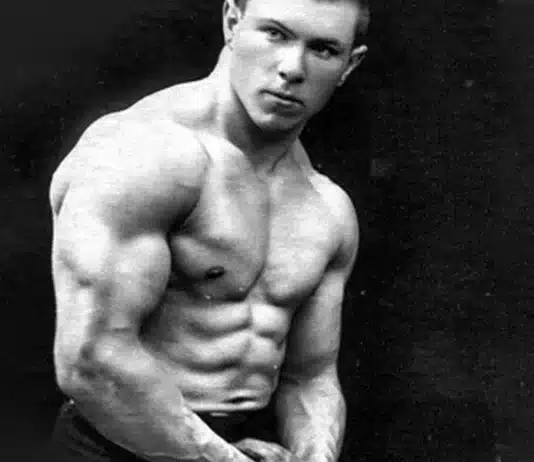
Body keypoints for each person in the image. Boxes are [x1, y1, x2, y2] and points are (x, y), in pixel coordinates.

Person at [46, 0, 369, 460]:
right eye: (275, 33)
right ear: (232, 22)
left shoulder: (328, 207)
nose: (292, 68)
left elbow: (310, 378)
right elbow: (91, 362)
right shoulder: (140, 152)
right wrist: (225, 459)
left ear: (348, 66)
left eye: (322, 49)